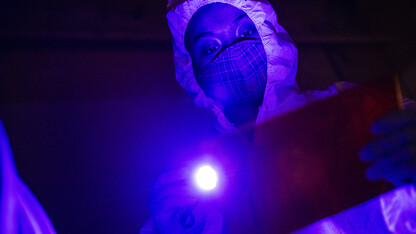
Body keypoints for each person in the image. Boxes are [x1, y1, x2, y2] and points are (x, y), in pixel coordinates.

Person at [141, 0, 416, 233]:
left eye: (246, 31)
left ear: (268, 35)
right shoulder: (190, 187)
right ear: (194, 72)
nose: (234, 49)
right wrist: (170, 226)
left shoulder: (350, 108)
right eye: (210, 48)